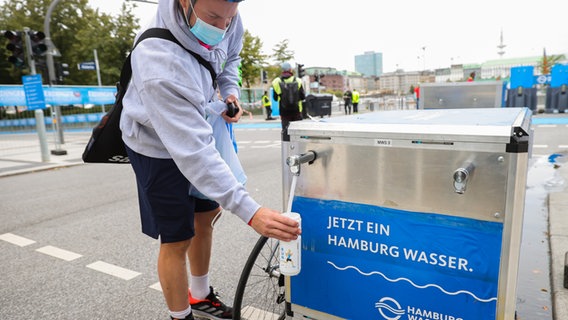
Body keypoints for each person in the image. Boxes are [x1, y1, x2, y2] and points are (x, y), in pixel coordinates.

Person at [119, 1, 301, 320]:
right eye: (213, 17)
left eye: (228, 18)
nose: (221, 28)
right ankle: (181, 316)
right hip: (156, 145)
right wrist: (250, 212)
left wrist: (228, 91)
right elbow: (194, 153)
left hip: (200, 123)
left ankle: (200, 296)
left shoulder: (229, 14)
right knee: (177, 236)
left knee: (206, 215)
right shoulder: (159, 61)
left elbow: (230, 57)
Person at [271, 62, 305, 141]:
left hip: (284, 112)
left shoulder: (276, 81)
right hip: (297, 111)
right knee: (299, 133)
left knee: (286, 133)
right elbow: (302, 97)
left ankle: (287, 151)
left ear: (282, 70)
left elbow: (275, 98)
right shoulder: (298, 80)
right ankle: (300, 151)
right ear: (290, 70)